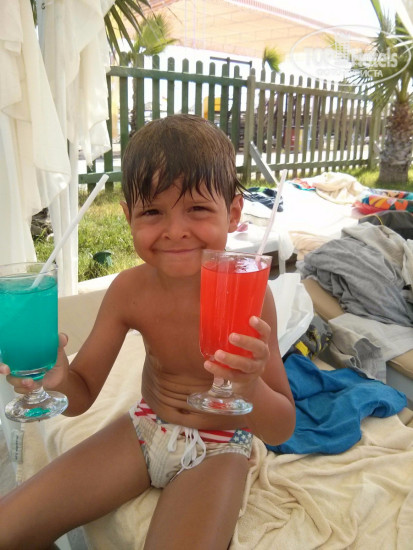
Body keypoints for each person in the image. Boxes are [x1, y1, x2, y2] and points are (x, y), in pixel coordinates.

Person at [0, 114, 295, 550]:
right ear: (128, 216)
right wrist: (58, 377)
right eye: (153, 212)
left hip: (219, 448)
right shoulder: (129, 291)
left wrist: (248, 385)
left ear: (233, 213)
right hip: (144, 427)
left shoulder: (247, 296)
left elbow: (282, 427)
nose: (175, 231)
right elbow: (82, 395)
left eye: (197, 208)